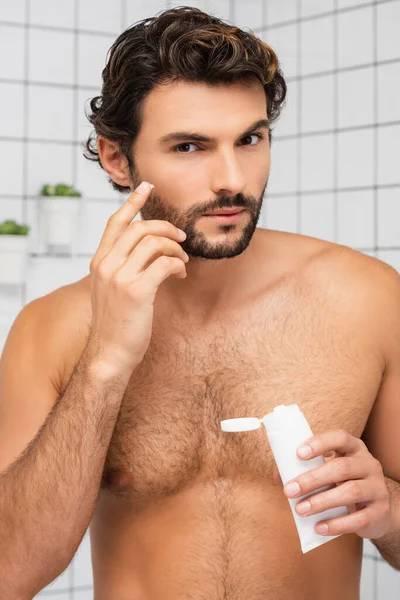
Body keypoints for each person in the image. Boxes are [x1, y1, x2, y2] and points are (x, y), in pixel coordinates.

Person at [0, 6, 399, 600]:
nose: (232, 178)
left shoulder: (369, 299)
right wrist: (106, 360)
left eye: (251, 138)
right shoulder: (52, 329)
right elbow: (10, 572)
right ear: (116, 158)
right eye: (189, 146)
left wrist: (389, 512)